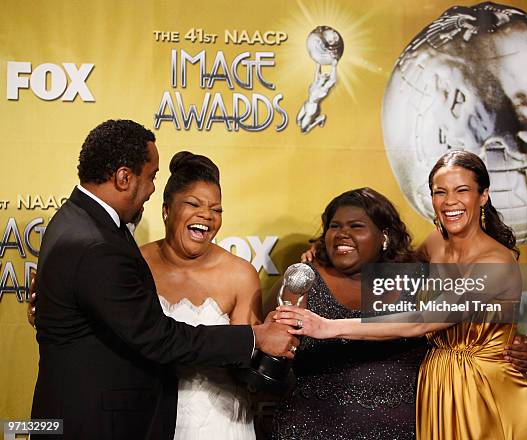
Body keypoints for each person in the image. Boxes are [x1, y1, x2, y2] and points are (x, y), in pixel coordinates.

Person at [30, 120, 298, 440]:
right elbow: (158, 338)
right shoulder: (99, 244)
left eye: (216, 208)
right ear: (124, 178)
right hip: (93, 420)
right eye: (152, 176)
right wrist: (255, 338)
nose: (153, 187)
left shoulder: (75, 219)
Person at [277, 151, 527, 439]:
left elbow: (422, 321)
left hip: (484, 391)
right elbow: (391, 264)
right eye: (440, 192)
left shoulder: (496, 263)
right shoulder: (434, 243)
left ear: (483, 196)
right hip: (438, 388)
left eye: (462, 190)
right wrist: (325, 252)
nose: (450, 201)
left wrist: (327, 327)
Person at [271, 187, 429, 439]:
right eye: (335, 226)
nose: (343, 234)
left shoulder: (418, 278)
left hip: (401, 429)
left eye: (356, 226)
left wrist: (515, 348)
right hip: (311, 427)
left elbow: (459, 338)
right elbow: (274, 346)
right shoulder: (304, 277)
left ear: (384, 235)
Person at [139, 151, 259, 439]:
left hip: (221, 424)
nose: (206, 215)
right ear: (166, 209)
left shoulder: (240, 274)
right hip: (146, 417)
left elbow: (249, 362)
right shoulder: (135, 264)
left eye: (216, 210)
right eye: (193, 203)